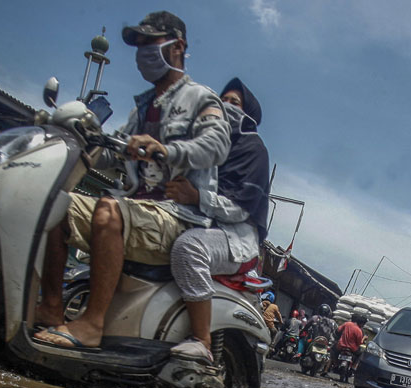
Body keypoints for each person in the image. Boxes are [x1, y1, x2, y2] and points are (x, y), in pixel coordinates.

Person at [33, 11, 231, 349]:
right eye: (139, 46)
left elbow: (216, 144)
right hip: (138, 211)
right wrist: (82, 140)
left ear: (178, 46)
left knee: (109, 211)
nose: (142, 53)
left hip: (177, 218)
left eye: (150, 43)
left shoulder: (201, 98)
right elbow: (118, 152)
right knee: (54, 204)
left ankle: (92, 324)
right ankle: (51, 307)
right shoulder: (142, 107)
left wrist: (167, 150)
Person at [163, 77, 272, 363]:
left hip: (234, 237)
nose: (225, 106)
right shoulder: (206, 144)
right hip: (195, 220)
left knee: (189, 249)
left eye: (234, 102)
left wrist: (195, 196)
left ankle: (201, 339)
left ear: (248, 113)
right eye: (221, 100)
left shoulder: (253, 150)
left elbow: (241, 208)